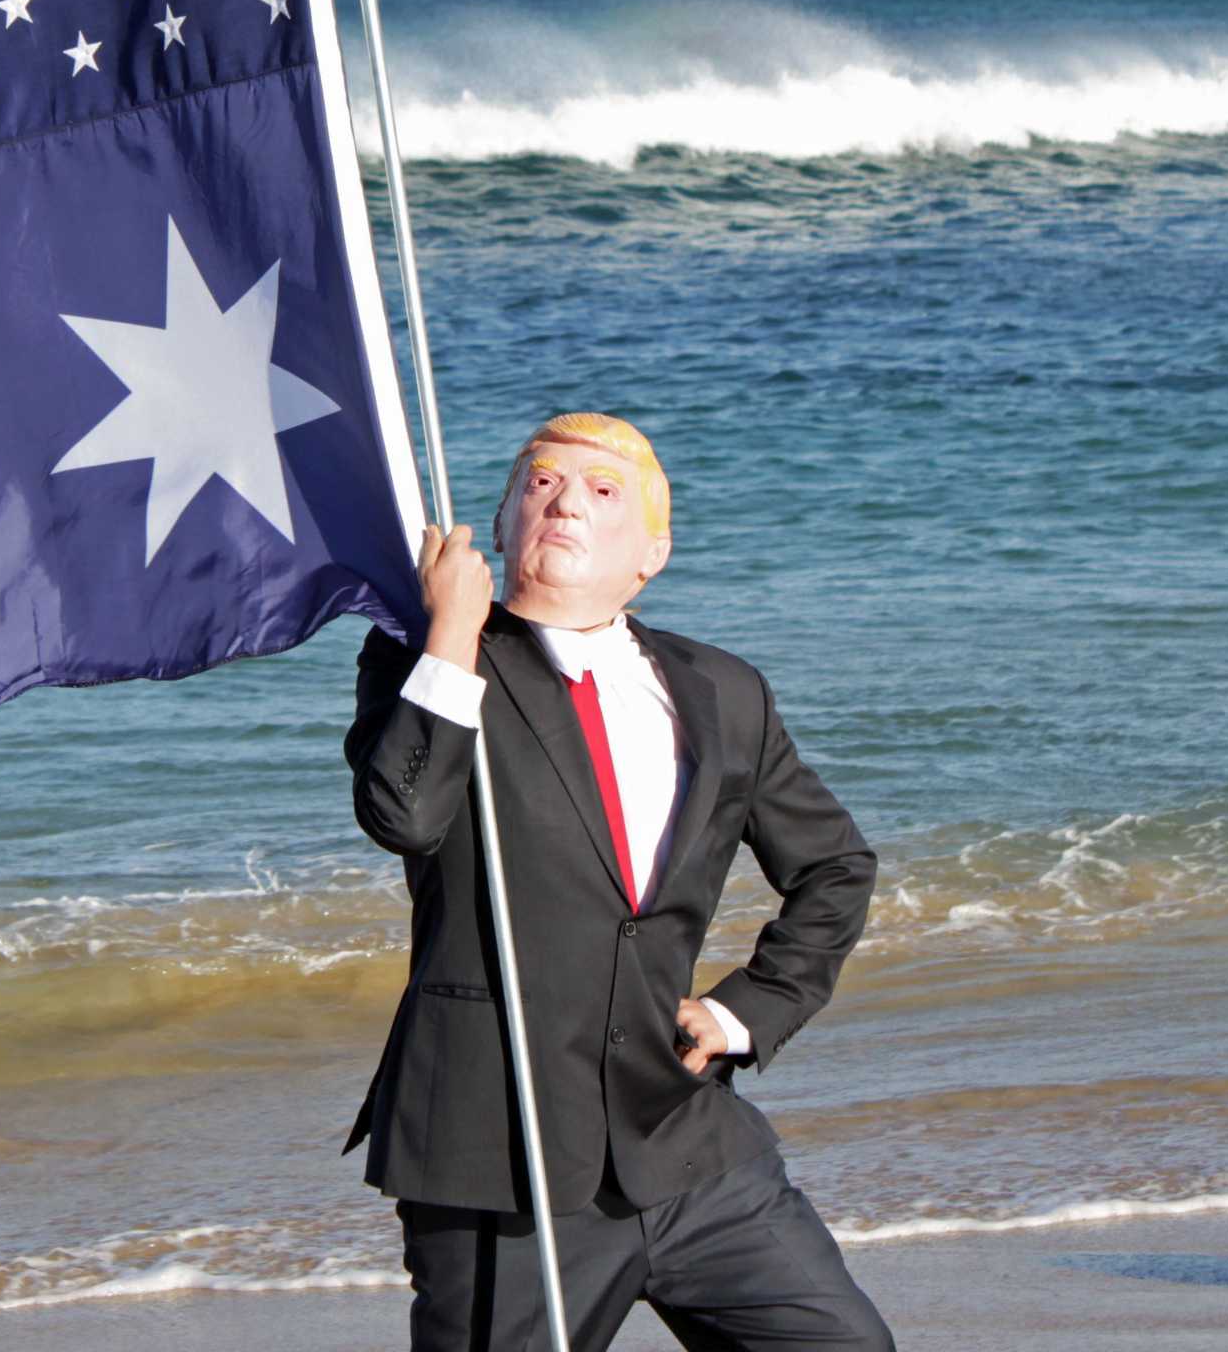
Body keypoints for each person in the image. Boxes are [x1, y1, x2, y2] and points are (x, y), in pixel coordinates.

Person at [344, 412, 891, 1351]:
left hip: (688, 1146)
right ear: (506, 520)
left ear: (652, 553)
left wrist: (745, 1012)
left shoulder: (724, 690)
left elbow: (835, 868)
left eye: (603, 492)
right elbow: (404, 817)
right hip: (499, 1159)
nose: (566, 501)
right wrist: (450, 634)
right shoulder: (426, 659)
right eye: (541, 483)